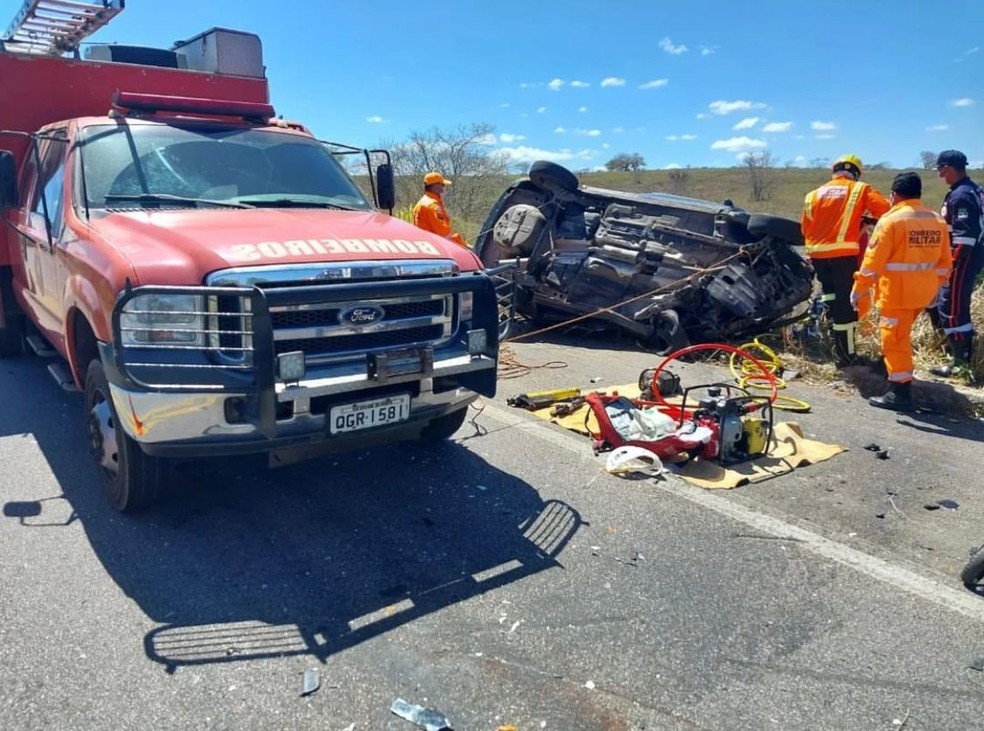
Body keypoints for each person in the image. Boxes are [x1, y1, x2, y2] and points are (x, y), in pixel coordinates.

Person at [850, 172, 951, 411]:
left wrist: (859, 288)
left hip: (896, 294)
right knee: (900, 337)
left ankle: (900, 393)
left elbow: (872, 261)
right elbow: (945, 262)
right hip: (923, 294)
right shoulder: (936, 220)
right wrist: (934, 285)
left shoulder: (891, 221)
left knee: (894, 340)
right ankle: (890, 368)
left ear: (894, 195)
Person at [801, 154, 891, 366]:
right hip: (843, 255)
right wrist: (865, 220)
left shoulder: (813, 195)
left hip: (818, 255)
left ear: (834, 172)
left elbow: (805, 228)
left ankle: (830, 341)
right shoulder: (860, 189)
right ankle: (846, 356)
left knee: (830, 297)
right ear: (855, 173)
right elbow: (886, 210)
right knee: (846, 306)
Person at [928, 150, 984, 379]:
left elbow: (965, 237)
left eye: (940, 169)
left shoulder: (961, 195)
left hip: (963, 259)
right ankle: (956, 354)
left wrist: (951, 264)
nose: (940, 174)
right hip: (967, 257)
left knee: (952, 307)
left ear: (948, 168)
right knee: (946, 304)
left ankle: (961, 363)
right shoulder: (969, 190)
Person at [411, 171, 468, 247]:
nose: (444, 188)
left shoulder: (422, 202)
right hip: (434, 247)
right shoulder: (432, 206)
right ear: (435, 187)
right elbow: (445, 235)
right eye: (442, 185)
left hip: (424, 245)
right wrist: (464, 245)